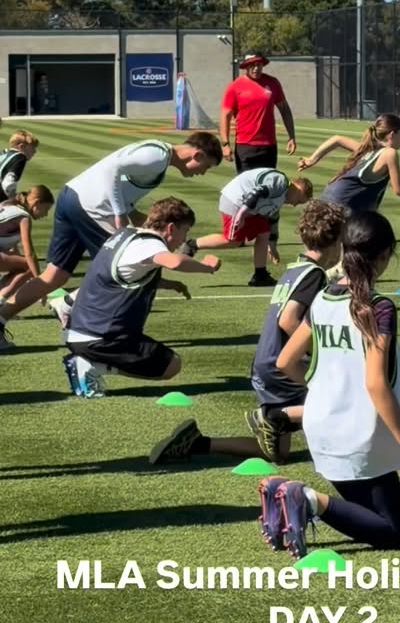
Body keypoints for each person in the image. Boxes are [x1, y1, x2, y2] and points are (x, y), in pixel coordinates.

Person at [257, 210, 400, 560]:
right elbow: (376, 384)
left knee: (378, 518)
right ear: (384, 256)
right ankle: (304, 498)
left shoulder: (322, 299)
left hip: (322, 427)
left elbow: (285, 361)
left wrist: (324, 392)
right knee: (395, 535)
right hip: (361, 434)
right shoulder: (377, 307)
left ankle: (290, 495)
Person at [148, 199, 346, 467]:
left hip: (266, 363)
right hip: (282, 366)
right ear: (336, 242)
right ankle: (284, 419)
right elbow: (289, 319)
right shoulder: (314, 275)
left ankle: (197, 442)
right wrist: (317, 351)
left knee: (276, 453)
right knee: (339, 398)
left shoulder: (295, 269)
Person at [0, 131, 222, 351]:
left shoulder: (159, 159)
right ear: (198, 156)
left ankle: (2, 317)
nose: (203, 173)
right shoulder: (157, 157)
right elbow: (112, 170)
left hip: (73, 198)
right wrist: (118, 213)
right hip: (92, 208)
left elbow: (123, 198)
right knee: (133, 269)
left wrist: (148, 226)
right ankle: (100, 324)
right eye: (207, 166)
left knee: (54, 275)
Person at [63, 197, 221, 398]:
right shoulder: (149, 246)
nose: (184, 239)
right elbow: (174, 262)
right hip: (100, 337)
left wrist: (169, 285)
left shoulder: (126, 235)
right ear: (171, 228)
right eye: (185, 231)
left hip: (80, 330)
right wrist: (207, 267)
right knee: (172, 365)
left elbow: (123, 276)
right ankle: (93, 366)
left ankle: (91, 362)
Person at [220, 53, 297, 263]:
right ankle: (241, 230)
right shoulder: (235, 87)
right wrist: (225, 143)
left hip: (268, 146)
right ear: (246, 67)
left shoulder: (272, 84)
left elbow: (284, 109)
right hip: (245, 146)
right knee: (247, 193)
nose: (256, 68)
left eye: (259, 65)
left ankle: (264, 235)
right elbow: (225, 115)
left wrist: (291, 135)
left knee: (268, 192)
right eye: (252, 65)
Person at [190, 168, 312, 287]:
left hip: (246, 207)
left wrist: (272, 247)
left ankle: (260, 275)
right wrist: (241, 214)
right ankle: (193, 244)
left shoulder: (281, 196)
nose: (295, 205)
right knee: (233, 241)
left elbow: (273, 220)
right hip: (235, 201)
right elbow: (257, 192)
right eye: (299, 200)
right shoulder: (280, 182)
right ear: (298, 189)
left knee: (264, 231)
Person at [298, 113, 400, 214]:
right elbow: (399, 190)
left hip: (325, 202)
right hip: (339, 209)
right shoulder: (390, 153)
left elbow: (337, 139)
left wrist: (312, 159)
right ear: (392, 135)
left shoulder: (367, 148)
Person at [0, 186, 54, 303]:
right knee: (30, 266)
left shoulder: (8, 205)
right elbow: (30, 254)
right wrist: (40, 285)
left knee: (24, 266)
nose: (45, 214)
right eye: (46, 209)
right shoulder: (24, 217)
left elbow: (14, 253)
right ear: (36, 203)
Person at [0, 130, 39, 201]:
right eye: (32, 148)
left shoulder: (3, 153)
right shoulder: (20, 157)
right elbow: (8, 184)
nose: (35, 151)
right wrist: (14, 200)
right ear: (22, 146)